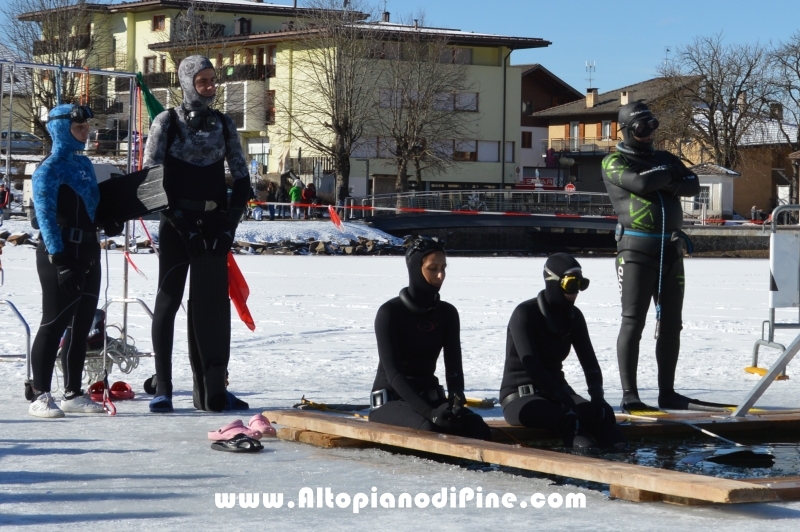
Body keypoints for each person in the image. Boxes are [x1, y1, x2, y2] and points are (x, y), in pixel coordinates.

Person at [142, 55, 250, 413]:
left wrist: (229, 227)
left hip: (214, 224)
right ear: (187, 82)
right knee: (169, 301)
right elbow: (149, 185)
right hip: (176, 224)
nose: (209, 87)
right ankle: (164, 387)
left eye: (212, 80)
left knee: (212, 308)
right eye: (202, 81)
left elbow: (242, 178)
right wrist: (182, 226)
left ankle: (213, 386)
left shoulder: (223, 123)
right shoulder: (166, 122)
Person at [601, 101, 704, 413]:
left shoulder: (662, 158)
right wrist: (670, 177)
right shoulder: (613, 161)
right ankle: (630, 394)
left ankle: (667, 392)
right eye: (641, 128)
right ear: (627, 130)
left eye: (651, 126)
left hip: (671, 250)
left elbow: (693, 184)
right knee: (633, 322)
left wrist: (665, 175)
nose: (648, 134)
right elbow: (642, 183)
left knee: (672, 324)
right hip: (635, 252)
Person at [28, 104, 122, 418]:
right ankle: (40, 395)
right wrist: (59, 258)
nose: (86, 133)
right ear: (60, 129)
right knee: (53, 324)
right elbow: (45, 218)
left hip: (89, 252)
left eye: (87, 128)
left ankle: (72, 392)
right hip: (60, 254)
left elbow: (92, 208)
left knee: (81, 327)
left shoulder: (85, 166)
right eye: (79, 127)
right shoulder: (48, 169)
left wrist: (109, 220)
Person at [369, 237, 491, 441]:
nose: (440, 275)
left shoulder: (447, 313)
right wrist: (431, 413)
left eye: (443, 268)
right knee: (430, 431)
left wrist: (456, 399)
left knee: (476, 428)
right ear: (416, 268)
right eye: (433, 268)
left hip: (430, 399)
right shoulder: (390, 312)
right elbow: (395, 376)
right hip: (390, 402)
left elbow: (453, 366)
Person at [500, 254, 627, 450]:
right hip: (521, 397)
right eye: (571, 284)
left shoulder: (574, 317)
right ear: (554, 282)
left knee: (600, 418)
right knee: (569, 420)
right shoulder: (524, 314)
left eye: (581, 284)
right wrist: (564, 400)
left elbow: (590, 362)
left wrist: (598, 398)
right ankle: (581, 472)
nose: (576, 291)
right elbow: (532, 366)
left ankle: (627, 465)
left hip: (559, 393)